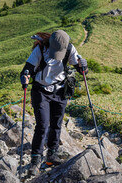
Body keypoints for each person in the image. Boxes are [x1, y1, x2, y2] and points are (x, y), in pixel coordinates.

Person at [20, 30, 88, 176]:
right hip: (41, 91)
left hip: (60, 91)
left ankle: (51, 155)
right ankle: (35, 161)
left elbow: (81, 68)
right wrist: (25, 77)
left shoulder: (70, 49)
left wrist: (84, 66)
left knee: (57, 124)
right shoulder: (40, 50)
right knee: (43, 125)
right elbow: (27, 69)